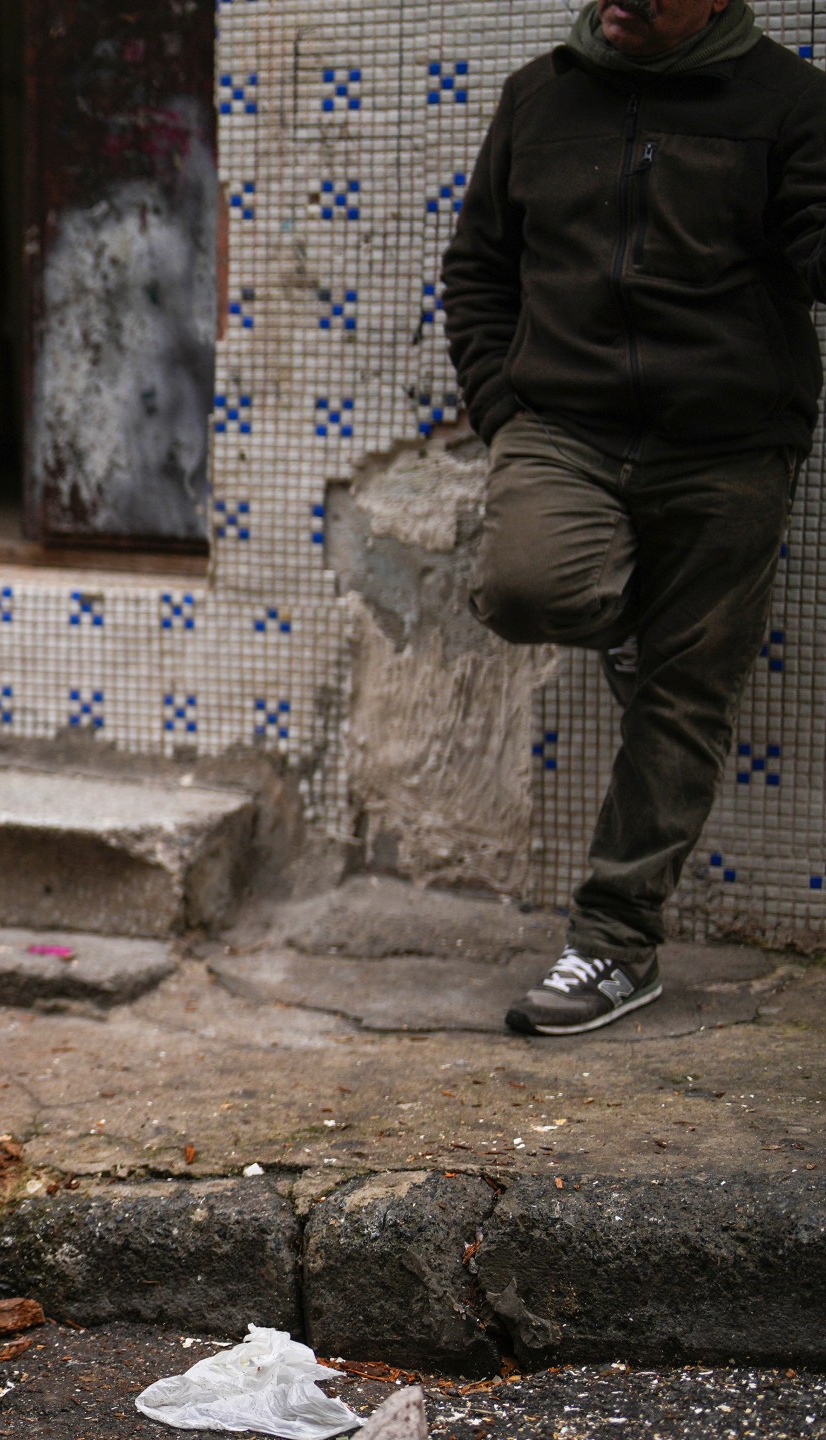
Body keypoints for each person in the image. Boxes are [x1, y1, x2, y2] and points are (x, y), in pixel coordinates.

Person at [444, 0, 826, 1035]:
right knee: (527, 587)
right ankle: (626, 619)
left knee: (684, 699)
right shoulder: (540, 96)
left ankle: (613, 947)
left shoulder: (788, 102)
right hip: (562, 425)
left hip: (730, 444)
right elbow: (478, 266)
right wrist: (500, 404)